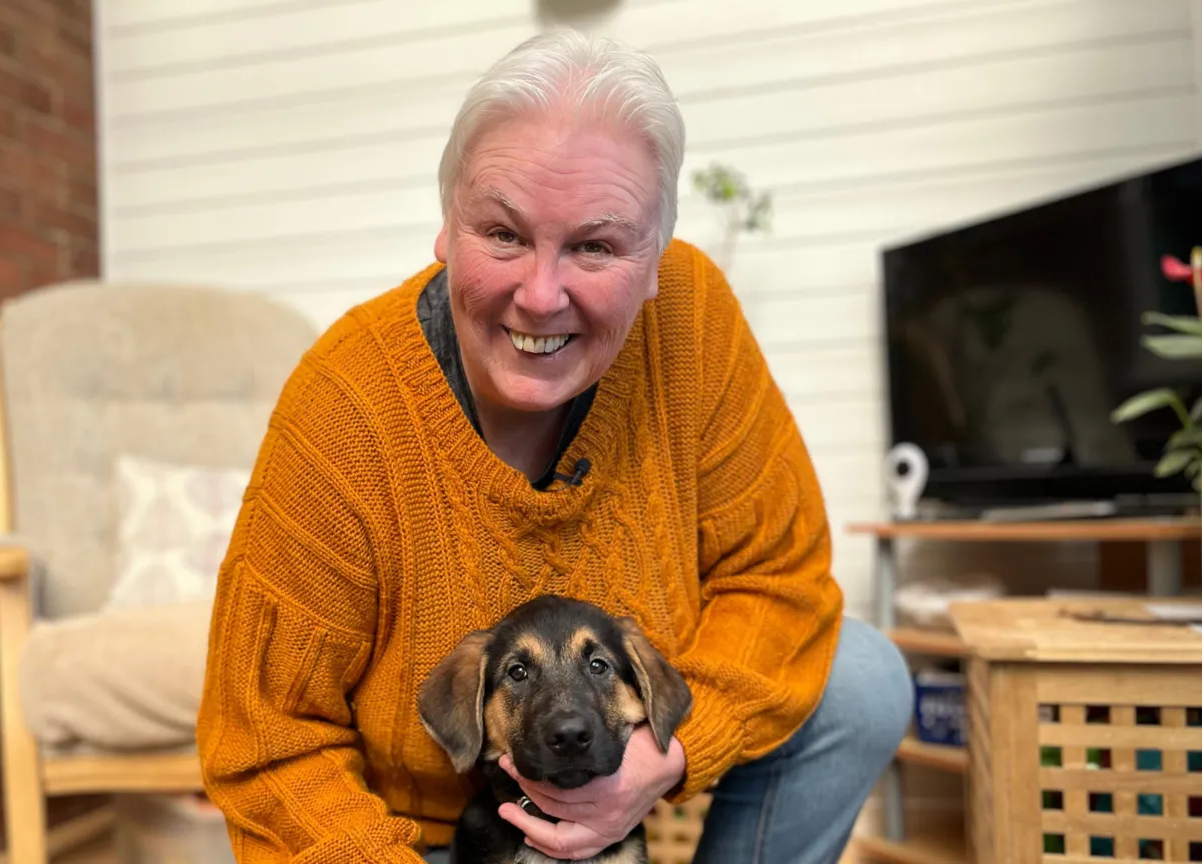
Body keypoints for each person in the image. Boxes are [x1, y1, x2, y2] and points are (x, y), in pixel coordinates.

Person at [196, 29, 913, 864]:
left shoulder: (692, 322)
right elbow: (266, 744)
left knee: (861, 679)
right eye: (502, 233)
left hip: (627, 787)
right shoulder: (343, 411)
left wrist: (661, 757)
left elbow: (778, 580)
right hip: (418, 837)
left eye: (595, 245)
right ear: (446, 228)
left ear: (655, 260)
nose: (540, 296)